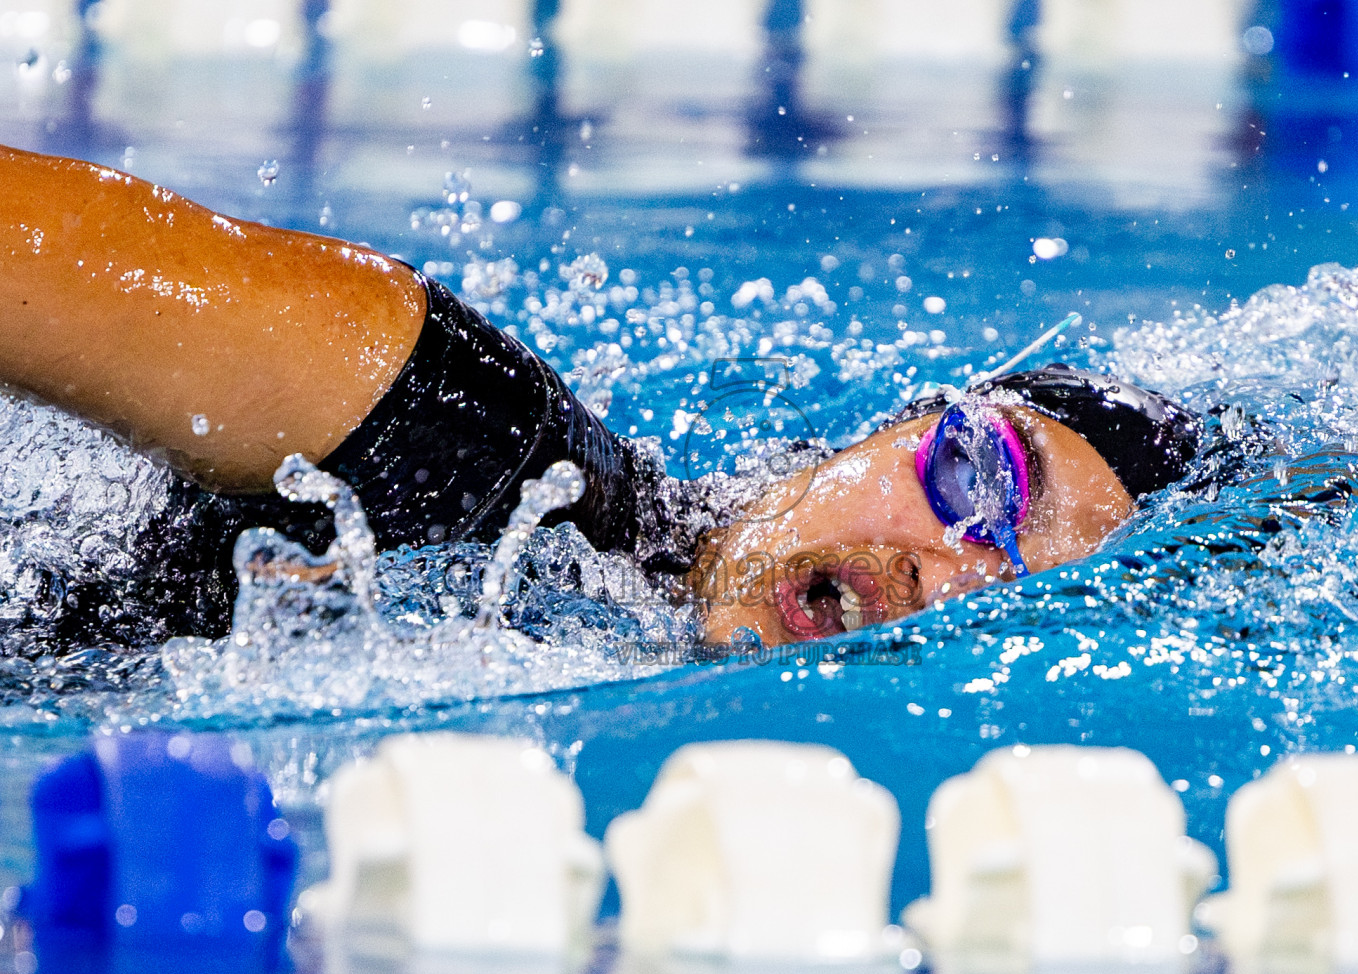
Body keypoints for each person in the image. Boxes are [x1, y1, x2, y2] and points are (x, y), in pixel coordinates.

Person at [0, 143, 1199, 652]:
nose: (951, 570)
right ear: (876, 431)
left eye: (1026, 592)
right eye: (983, 476)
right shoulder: (463, 441)